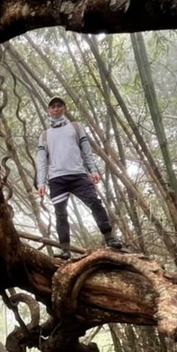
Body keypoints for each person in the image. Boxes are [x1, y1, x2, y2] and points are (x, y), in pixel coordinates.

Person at [36, 96, 124, 258]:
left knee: (95, 203)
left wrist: (94, 170)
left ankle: (110, 238)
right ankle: (65, 249)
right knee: (60, 213)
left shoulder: (76, 127)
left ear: (64, 109)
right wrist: (40, 182)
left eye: (59, 106)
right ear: (48, 111)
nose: (56, 109)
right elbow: (41, 161)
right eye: (52, 107)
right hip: (57, 179)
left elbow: (86, 150)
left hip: (78, 174)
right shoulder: (44, 136)